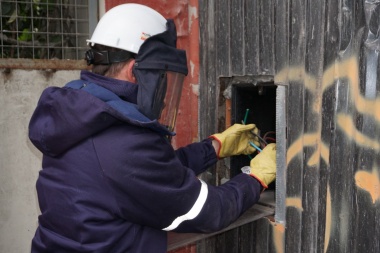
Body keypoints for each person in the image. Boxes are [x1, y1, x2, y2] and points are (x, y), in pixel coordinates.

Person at [28, 3, 276, 253]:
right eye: (161, 79)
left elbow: (149, 177)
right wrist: (255, 177)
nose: (165, 98)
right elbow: (210, 211)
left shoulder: (81, 116)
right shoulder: (123, 141)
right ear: (136, 71)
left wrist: (214, 148)